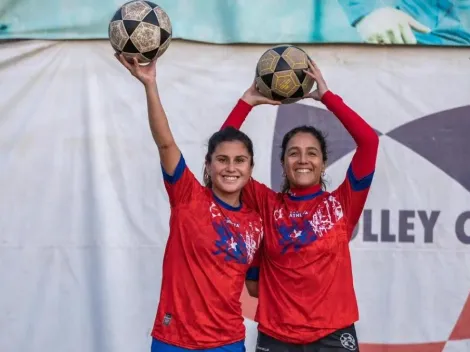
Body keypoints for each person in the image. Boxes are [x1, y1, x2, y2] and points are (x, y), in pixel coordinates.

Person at [220, 60, 379, 351]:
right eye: (294, 153)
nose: (303, 159)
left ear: (323, 163)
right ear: (283, 163)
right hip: (277, 336)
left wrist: (328, 98)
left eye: (311, 153)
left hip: (332, 335)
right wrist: (247, 102)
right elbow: (223, 153)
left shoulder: (343, 204)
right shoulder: (266, 203)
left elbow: (369, 142)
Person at [115, 54, 264, 352]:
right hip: (174, 340)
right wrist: (150, 85)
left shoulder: (256, 223)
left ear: (250, 168)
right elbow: (166, 143)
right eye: (221, 160)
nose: (230, 167)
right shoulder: (187, 196)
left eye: (239, 161)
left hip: (228, 343)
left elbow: (256, 285)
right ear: (207, 166)